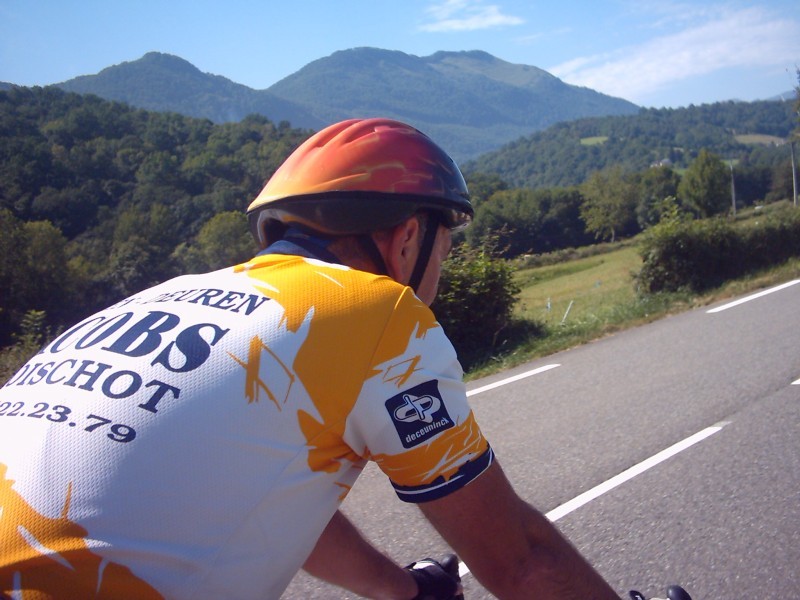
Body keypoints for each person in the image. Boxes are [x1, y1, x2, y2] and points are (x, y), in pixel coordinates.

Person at [0, 118, 618, 599]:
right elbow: (521, 563)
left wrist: (398, 588)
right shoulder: (376, 312)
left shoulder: (157, 300)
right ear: (408, 238)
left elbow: (256, 499)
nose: (441, 271)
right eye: (445, 250)